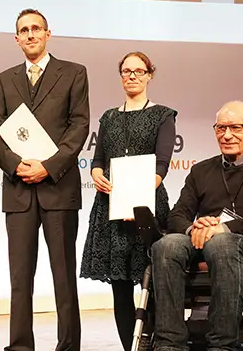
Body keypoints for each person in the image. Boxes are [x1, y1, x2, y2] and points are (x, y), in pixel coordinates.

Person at [151, 101, 243, 351]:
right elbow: (177, 215)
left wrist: (226, 228)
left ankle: (222, 345)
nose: (227, 135)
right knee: (166, 244)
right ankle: (169, 344)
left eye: (235, 127)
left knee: (222, 243)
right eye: (220, 128)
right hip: (203, 241)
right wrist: (193, 229)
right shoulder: (201, 170)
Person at [0, 8, 90, 351]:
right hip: (18, 192)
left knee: (63, 276)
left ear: (48, 34)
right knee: (20, 279)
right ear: (16, 39)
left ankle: (68, 346)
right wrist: (16, 165)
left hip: (58, 188)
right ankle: (19, 346)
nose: (30, 34)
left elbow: (79, 127)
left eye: (36, 29)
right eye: (23, 30)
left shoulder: (74, 73)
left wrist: (48, 166)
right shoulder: (5, 79)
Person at [79, 51, 177, 351]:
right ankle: (129, 347)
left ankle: (159, 344)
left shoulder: (163, 114)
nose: (131, 76)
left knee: (155, 285)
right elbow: (98, 160)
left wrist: (137, 198)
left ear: (150, 74)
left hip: (146, 208)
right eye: (125, 71)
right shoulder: (108, 117)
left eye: (138, 71)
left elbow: (162, 165)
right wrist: (96, 174)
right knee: (120, 288)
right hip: (111, 209)